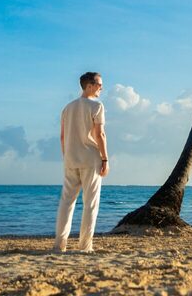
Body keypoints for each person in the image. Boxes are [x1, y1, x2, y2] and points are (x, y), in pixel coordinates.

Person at [53, 71, 109, 253]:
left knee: (66, 202)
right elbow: (100, 134)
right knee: (90, 203)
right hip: (90, 159)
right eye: (99, 85)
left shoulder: (67, 108)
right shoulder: (97, 106)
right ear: (90, 86)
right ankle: (85, 246)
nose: (101, 88)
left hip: (70, 159)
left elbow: (62, 137)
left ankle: (59, 245)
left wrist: (67, 155)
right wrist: (105, 158)